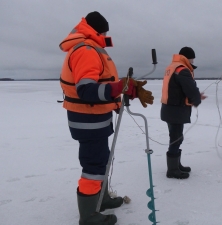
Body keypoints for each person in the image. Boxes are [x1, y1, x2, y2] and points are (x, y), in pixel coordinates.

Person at [59, 11, 154, 225]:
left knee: (102, 160)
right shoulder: (86, 50)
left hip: (95, 119)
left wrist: (121, 94)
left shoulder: (92, 47)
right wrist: (119, 87)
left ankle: (102, 199)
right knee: (94, 165)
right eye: (105, 31)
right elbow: (87, 90)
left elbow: (102, 83)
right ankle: (89, 215)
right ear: (98, 30)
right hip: (88, 120)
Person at [160, 47, 207, 179]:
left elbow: (178, 89)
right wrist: (196, 99)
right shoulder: (182, 69)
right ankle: (172, 170)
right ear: (188, 57)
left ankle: (176, 165)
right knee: (176, 138)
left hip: (170, 109)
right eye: (192, 58)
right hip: (176, 110)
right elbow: (189, 89)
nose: (193, 60)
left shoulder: (173, 67)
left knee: (176, 137)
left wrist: (196, 96)